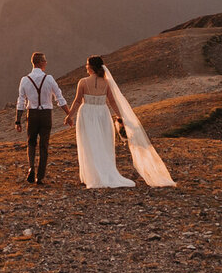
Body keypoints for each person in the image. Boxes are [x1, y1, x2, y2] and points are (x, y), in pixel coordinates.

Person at [65, 54, 175, 189]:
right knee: (103, 143)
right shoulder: (106, 83)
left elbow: (77, 101)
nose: (86, 66)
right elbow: (112, 101)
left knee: (88, 143)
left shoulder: (82, 82)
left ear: (91, 67)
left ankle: (91, 176)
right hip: (102, 113)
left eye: (87, 64)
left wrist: (70, 115)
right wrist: (120, 116)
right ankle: (103, 173)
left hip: (86, 113)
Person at [15, 52, 64, 185]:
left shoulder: (25, 80)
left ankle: (31, 167)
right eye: (45, 61)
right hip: (46, 114)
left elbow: (21, 101)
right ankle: (40, 176)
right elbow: (59, 97)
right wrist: (68, 113)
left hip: (32, 114)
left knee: (31, 143)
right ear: (41, 62)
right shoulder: (49, 79)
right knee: (44, 145)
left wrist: (18, 120)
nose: (46, 63)